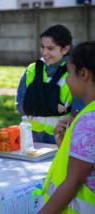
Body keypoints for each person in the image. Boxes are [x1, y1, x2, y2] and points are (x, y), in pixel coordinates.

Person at [38, 41, 95, 213]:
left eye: (69, 73)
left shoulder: (89, 121)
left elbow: (73, 182)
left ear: (83, 74)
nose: (68, 80)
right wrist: (64, 143)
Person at [16, 24, 82, 144]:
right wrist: (52, 107)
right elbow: (20, 105)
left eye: (50, 48)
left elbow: (78, 113)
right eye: (42, 47)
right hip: (31, 136)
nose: (44, 53)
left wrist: (35, 106)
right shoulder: (32, 69)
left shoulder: (73, 73)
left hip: (60, 137)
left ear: (65, 49)